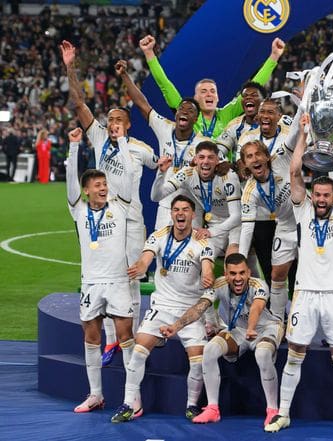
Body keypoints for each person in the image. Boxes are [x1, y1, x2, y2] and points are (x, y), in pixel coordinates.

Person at [264, 115, 333, 435]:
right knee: (294, 355)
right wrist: (304, 134)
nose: (321, 199)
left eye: (326, 195)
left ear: (332, 196)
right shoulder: (302, 209)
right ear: (312, 195)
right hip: (304, 294)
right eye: (317, 194)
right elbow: (294, 171)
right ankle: (283, 414)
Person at [61, 42, 159, 365]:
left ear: (128, 124)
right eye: (109, 118)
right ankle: (108, 342)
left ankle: (127, 335)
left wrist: (166, 167)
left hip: (131, 220)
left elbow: (161, 167)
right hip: (102, 218)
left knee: (130, 278)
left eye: (118, 119)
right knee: (105, 277)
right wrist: (70, 67)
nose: (112, 122)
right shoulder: (101, 137)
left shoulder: (140, 149)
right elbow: (78, 104)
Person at [111, 195, 215, 423]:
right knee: (138, 351)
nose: (180, 213)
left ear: (192, 214)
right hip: (163, 307)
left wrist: (207, 274)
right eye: (176, 209)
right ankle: (128, 403)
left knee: (198, 362)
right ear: (171, 213)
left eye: (185, 209)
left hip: (190, 311)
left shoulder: (202, 241)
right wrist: (140, 265)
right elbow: (146, 257)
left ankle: (191, 405)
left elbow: (207, 266)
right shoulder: (159, 236)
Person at [159, 253, 282, 426]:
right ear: (225, 273)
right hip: (237, 330)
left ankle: (273, 411)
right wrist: (176, 326)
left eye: (241, 273)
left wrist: (252, 328)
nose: (238, 278)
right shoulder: (219, 285)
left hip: (265, 328)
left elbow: (257, 307)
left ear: (248, 272)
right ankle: (212, 409)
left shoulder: (259, 284)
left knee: (262, 353)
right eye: (233, 273)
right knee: (209, 350)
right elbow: (199, 308)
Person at [65, 127, 135, 413]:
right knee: (91, 338)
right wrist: (73, 147)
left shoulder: (120, 206)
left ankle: (132, 397)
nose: (103, 188)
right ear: (87, 190)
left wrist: (121, 144)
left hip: (118, 281)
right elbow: (71, 182)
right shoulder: (78, 210)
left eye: (104, 183)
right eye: (97, 185)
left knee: (125, 337)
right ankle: (95, 394)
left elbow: (129, 175)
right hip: (91, 283)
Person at [114, 59, 211, 230]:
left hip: (192, 206)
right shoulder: (165, 127)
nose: (184, 112)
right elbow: (142, 104)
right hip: (166, 206)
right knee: (161, 252)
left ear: (195, 119)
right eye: (181, 109)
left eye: (190, 111)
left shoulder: (203, 144)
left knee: (188, 255)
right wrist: (124, 76)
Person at [139, 34, 285, 139]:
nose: (209, 94)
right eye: (203, 91)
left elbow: (254, 88)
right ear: (195, 98)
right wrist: (149, 53)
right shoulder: (188, 113)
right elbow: (165, 84)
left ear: (217, 97)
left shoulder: (227, 113)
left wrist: (274, 56)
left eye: (212, 91)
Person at [151, 140, 241, 258]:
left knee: (233, 259)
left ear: (217, 160)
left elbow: (237, 216)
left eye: (210, 158)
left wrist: (211, 232)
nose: (205, 162)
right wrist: (161, 174)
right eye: (201, 157)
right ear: (195, 160)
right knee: (203, 259)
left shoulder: (228, 176)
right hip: (213, 223)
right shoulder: (187, 173)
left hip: (236, 224)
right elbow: (156, 197)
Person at [238, 139, 296, 319]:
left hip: (305, 221)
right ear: (245, 164)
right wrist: (240, 259)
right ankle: (279, 319)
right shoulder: (249, 192)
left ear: (266, 157)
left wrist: (302, 110)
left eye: (258, 154)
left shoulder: (280, 160)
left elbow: (293, 135)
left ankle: (298, 317)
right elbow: (247, 229)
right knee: (276, 274)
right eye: (249, 157)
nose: (255, 159)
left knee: (302, 275)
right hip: (285, 226)